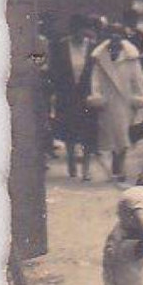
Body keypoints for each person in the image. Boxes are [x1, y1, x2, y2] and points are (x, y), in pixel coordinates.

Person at [83, 29, 143, 182]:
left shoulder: (131, 58)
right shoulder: (100, 58)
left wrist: (141, 97)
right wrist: (97, 95)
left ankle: (119, 166)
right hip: (107, 102)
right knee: (110, 135)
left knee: (123, 135)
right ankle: (115, 161)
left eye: (118, 38)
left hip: (125, 101)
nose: (115, 42)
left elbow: (138, 79)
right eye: (112, 39)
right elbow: (95, 80)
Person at [49, 16, 98, 180]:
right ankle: (71, 163)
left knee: (88, 132)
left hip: (86, 95)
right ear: (72, 31)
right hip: (67, 94)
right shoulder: (60, 46)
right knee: (69, 131)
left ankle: (86, 168)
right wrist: (55, 92)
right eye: (78, 32)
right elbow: (54, 70)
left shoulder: (93, 48)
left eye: (84, 32)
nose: (81, 35)